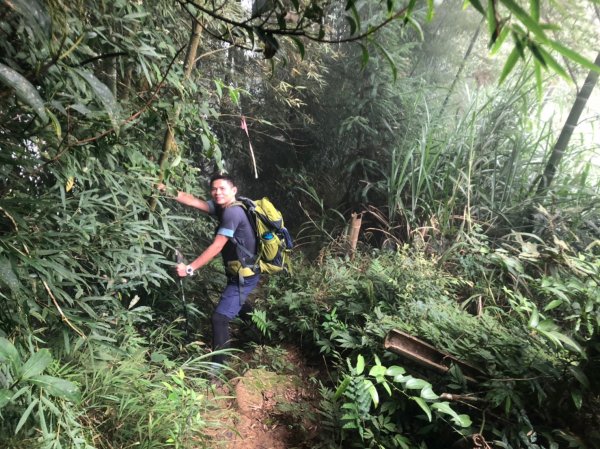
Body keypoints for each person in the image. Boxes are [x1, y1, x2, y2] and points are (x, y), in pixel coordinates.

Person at [160, 173, 259, 366]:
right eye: (214, 189)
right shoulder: (223, 207)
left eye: (222, 188)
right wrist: (165, 189)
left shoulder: (232, 212)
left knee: (219, 319)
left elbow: (216, 246)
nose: (217, 192)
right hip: (238, 272)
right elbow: (193, 202)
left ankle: (217, 369)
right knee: (238, 304)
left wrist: (189, 269)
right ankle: (261, 333)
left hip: (244, 276)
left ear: (234, 191)